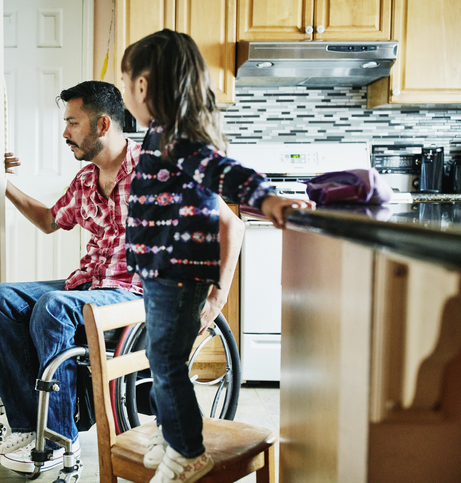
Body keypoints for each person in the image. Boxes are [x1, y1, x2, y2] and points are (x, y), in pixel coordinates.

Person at [120, 30, 315, 483]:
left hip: (177, 271)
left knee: (167, 362)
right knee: (163, 358)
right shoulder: (158, 135)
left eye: (126, 82)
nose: (125, 92)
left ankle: (189, 451)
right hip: (159, 271)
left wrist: (269, 201)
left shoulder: (178, 139)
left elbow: (228, 173)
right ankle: (171, 433)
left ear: (144, 87)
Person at [0, 80, 144, 474]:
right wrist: (0, 182)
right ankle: (25, 427)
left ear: (102, 125)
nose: (65, 132)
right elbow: (49, 221)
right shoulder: (86, 180)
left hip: (136, 292)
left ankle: (57, 436)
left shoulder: (153, 171)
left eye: (73, 122)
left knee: (53, 308)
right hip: (90, 285)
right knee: (0, 297)